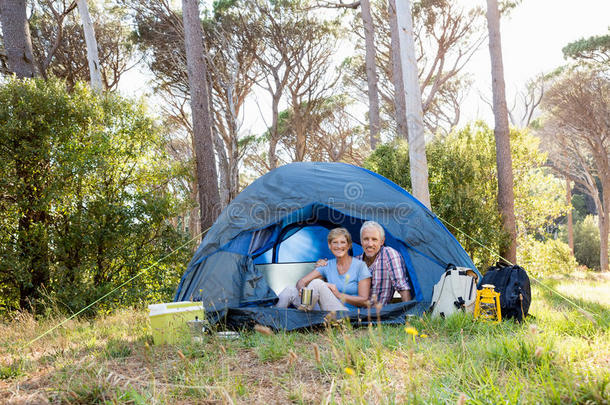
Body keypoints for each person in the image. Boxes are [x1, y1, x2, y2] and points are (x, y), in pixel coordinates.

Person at [316, 221, 412, 305]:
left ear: (382, 241)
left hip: (377, 314)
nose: (370, 244)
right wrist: (324, 266)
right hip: (350, 310)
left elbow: (402, 287)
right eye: (366, 239)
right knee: (314, 285)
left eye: (374, 239)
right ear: (361, 241)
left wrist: (410, 316)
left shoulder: (389, 255)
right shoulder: (356, 261)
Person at [276, 227, 371, 311]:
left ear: (349, 245)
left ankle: (304, 310)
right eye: (335, 242)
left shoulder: (360, 267)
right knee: (290, 290)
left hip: (345, 313)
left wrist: (338, 295)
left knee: (317, 283)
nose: (339, 246)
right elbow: (302, 281)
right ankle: (273, 321)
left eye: (343, 242)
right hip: (324, 310)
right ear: (330, 246)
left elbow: (364, 300)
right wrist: (302, 289)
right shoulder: (327, 264)